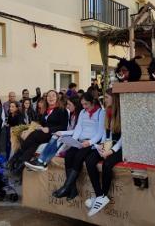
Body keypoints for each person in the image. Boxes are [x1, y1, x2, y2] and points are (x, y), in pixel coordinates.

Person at [52, 92, 105, 200]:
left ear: (92, 102)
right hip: (80, 141)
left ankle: (66, 187)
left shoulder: (100, 112)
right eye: (82, 104)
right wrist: (73, 141)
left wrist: (89, 142)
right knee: (69, 155)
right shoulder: (82, 112)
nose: (84, 107)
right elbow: (78, 129)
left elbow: (100, 133)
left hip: (91, 143)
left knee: (78, 157)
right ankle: (72, 189)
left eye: (86, 104)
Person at [84, 88, 122, 216]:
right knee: (89, 160)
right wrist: (102, 146)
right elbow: (108, 135)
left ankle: (103, 195)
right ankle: (99, 195)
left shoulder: (122, 112)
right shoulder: (107, 112)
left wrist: (111, 151)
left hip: (121, 147)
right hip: (110, 144)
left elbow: (124, 138)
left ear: (114, 98)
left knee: (107, 164)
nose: (104, 100)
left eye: (106, 97)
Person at [25, 95, 82, 171]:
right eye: (67, 104)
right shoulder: (72, 115)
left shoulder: (79, 115)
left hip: (76, 139)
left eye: (69, 104)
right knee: (54, 137)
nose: (67, 106)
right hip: (68, 136)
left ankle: (42, 162)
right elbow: (69, 128)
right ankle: (41, 163)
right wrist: (60, 133)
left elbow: (76, 131)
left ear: (76, 105)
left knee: (57, 139)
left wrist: (62, 133)